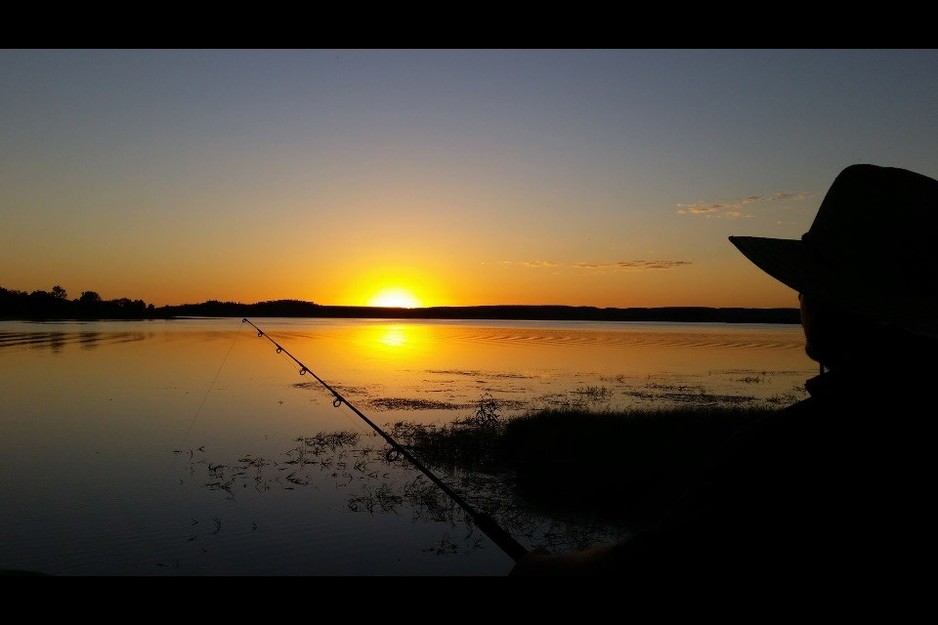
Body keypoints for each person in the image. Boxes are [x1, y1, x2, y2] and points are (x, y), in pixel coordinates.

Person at [509, 164, 938, 584]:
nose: (799, 301)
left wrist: (544, 570)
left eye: (806, 285)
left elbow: (657, 563)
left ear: (845, 301)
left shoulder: (795, 448)